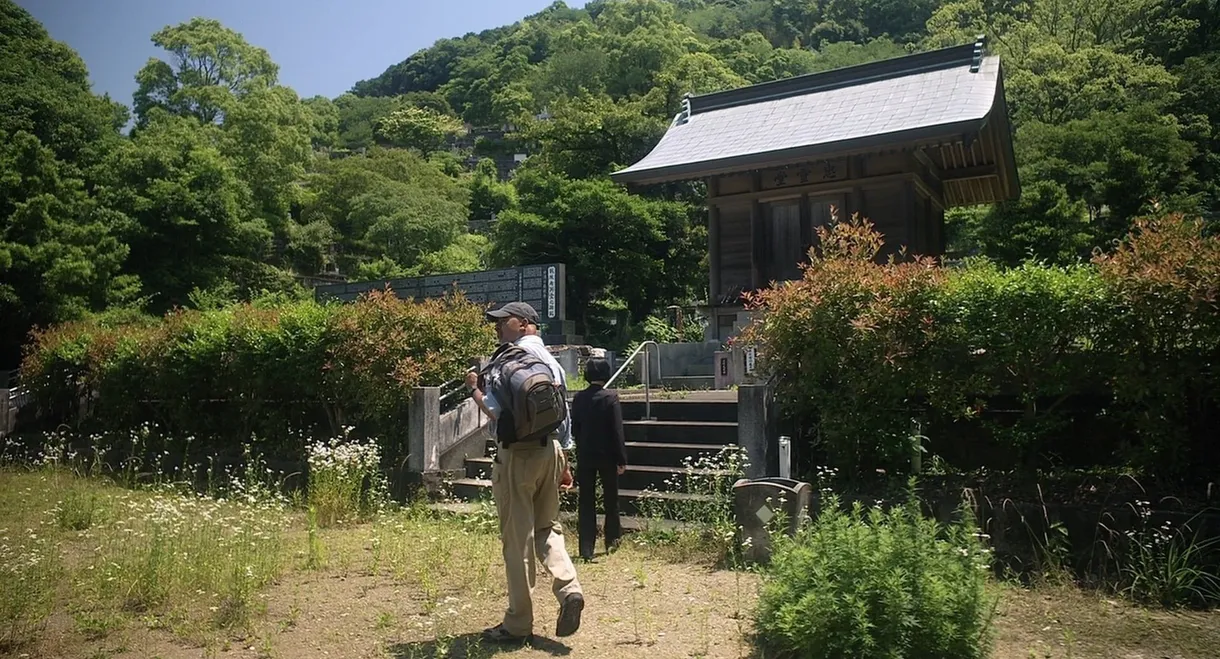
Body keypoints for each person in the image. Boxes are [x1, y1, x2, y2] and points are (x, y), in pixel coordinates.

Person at [464, 301, 583, 643]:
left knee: (517, 542)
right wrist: (563, 459)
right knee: (548, 527)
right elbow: (562, 412)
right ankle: (569, 589)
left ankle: (517, 624)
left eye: (505, 320)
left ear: (526, 323)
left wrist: (474, 387)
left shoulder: (507, 361)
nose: (498, 326)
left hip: (517, 457)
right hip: (551, 451)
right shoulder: (552, 362)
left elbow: (494, 410)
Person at [569, 357, 628, 561]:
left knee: (586, 501)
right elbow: (617, 431)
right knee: (611, 499)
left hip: (585, 454)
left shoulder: (578, 398)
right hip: (607, 456)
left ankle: (586, 547)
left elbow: (574, 428)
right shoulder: (611, 397)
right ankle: (612, 540)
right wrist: (621, 458)